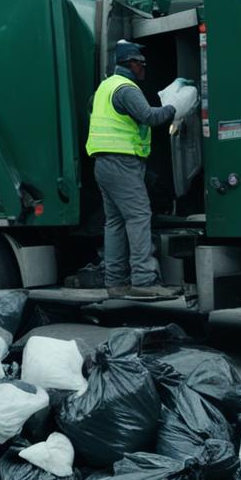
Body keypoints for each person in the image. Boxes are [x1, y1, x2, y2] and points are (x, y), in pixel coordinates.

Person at [85, 41, 194, 300]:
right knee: (138, 217)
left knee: (114, 223)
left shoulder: (105, 86)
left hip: (104, 163)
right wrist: (176, 106)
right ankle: (144, 281)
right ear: (128, 64)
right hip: (121, 163)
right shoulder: (125, 89)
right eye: (140, 63)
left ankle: (116, 283)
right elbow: (151, 117)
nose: (144, 67)